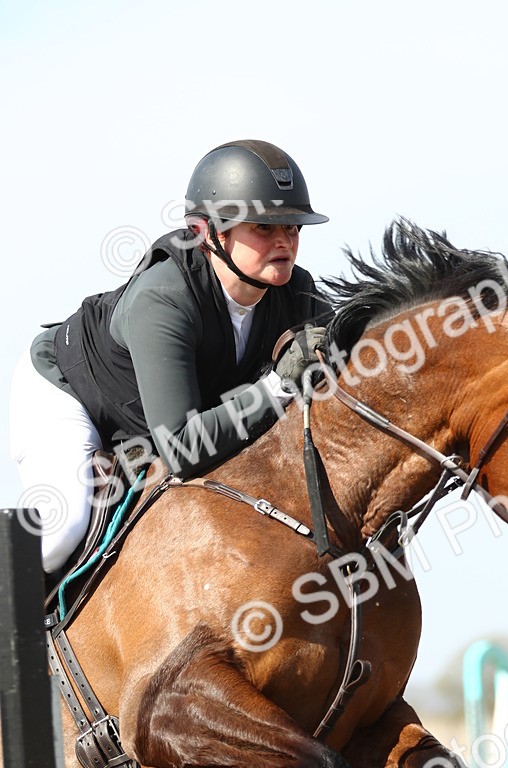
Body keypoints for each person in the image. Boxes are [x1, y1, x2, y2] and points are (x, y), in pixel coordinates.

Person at [9, 139, 330, 574]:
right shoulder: (164, 298)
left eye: (292, 228)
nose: (284, 241)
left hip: (146, 420)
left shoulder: (298, 295)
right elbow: (183, 448)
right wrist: (277, 386)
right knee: (59, 533)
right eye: (263, 228)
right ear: (213, 233)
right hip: (67, 393)